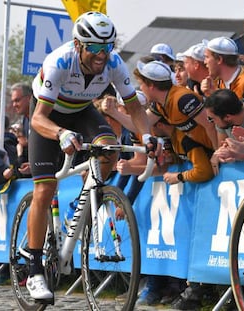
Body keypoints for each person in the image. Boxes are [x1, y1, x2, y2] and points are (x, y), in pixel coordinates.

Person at [25, 11, 155, 301]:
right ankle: (34, 269)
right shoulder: (59, 62)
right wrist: (59, 133)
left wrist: (147, 138)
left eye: (107, 47)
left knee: (108, 146)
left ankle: (91, 197)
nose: (101, 55)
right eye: (94, 47)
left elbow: (134, 107)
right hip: (48, 116)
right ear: (78, 45)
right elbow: (38, 119)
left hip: (82, 110)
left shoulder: (114, 64)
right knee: (45, 188)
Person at [204, 89, 244, 169]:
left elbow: (238, 153)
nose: (211, 122)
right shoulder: (223, 123)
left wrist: (237, 155)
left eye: (211, 119)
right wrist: (219, 155)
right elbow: (222, 148)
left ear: (228, 117)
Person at [201, 36, 244, 100]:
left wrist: (217, 94)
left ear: (219, 59)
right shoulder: (217, 82)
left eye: (207, 57)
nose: (204, 62)